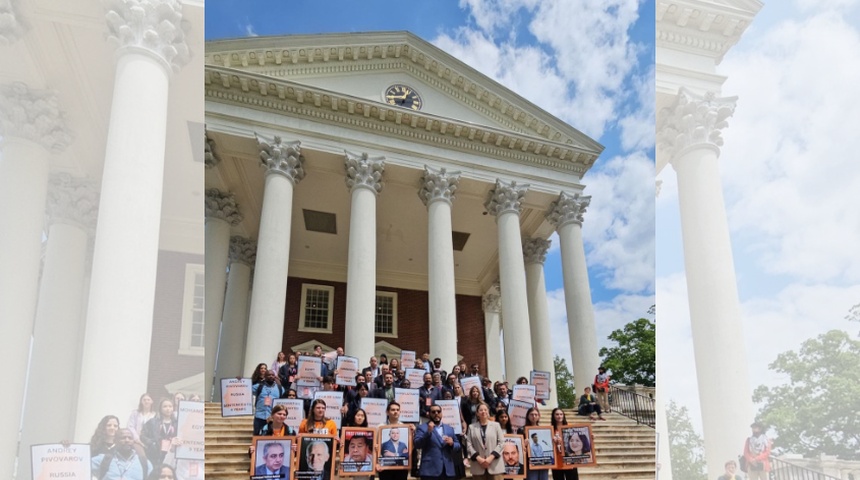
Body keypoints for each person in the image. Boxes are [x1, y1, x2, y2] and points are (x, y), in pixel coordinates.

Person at [414, 405, 461, 480]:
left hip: (447, 471)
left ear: (441, 413)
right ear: (429, 414)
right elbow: (417, 444)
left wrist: (452, 444)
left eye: (438, 411)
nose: (436, 413)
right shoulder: (422, 428)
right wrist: (428, 432)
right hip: (429, 471)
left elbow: (458, 445)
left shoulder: (449, 428)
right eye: (433, 412)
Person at [465, 402, 505, 480]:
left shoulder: (496, 425)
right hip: (478, 466)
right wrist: (479, 459)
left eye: (485, 410)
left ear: (488, 411)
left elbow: (501, 443)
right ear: (477, 413)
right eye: (481, 410)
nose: (483, 412)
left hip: (495, 466)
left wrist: (490, 458)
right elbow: (469, 444)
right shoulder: (471, 427)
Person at [140, 398, 179, 467]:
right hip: (155, 453)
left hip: (171, 453)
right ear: (160, 409)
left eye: (170, 406)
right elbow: (142, 435)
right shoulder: (152, 422)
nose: (168, 409)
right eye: (165, 406)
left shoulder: (177, 423)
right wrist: (152, 443)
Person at [550, 408, 580, 480]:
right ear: (553, 416)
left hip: (569, 459)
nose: (559, 416)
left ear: (563, 416)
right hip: (557, 461)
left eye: (561, 414)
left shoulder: (570, 427)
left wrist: (590, 437)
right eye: (557, 414)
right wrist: (552, 441)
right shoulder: (550, 429)